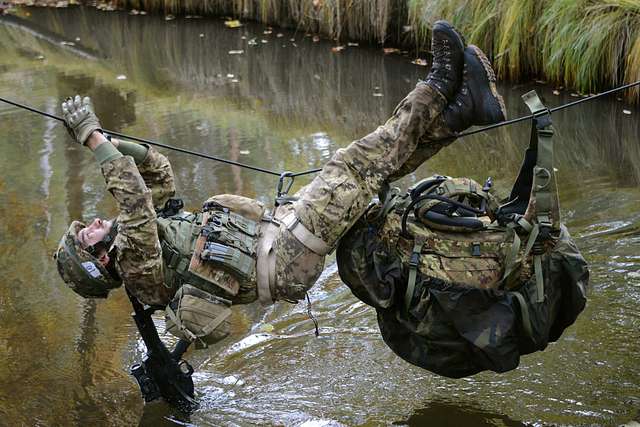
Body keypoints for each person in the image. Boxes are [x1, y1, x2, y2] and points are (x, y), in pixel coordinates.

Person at [55, 21, 587, 376]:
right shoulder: (140, 269)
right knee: (352, 165)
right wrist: (94, 141)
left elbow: (158, 176)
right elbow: (136, 210)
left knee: (370, 174)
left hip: (282, 231)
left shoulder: (147, 243)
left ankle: (459, 111)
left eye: (84, 227)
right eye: (87, 236)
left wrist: (119, 143)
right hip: (285, 257)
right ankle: (441, 87)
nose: (91, 224)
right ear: (100, 262)